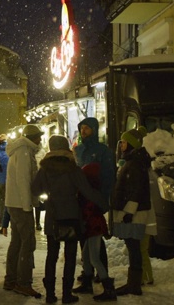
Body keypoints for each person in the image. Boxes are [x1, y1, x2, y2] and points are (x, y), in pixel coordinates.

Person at [31, 135, 108, 304]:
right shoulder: (73, 168)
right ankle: (67, 294)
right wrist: (104, 203)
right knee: (70, 256)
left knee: (51, 255)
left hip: (53, 216)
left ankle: (50, 294)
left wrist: (48, 195)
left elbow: (35, 189)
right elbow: (87, 190)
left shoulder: (45, 169)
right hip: (72, 216)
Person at [73, 117, 115, 285]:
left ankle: (101, 270)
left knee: (95, 237)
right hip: (81, 200)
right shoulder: (78, 149)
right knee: (84, 236)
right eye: (82, 128)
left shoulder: (103, 151)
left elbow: (108, 176)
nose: (83, 131)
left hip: (95, 199)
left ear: (94, 130)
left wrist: (103, 198)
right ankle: (87, 270)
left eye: (87, 128)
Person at [3, 124, 44, 298]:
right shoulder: (24, 151)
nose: (40, 139)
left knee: (17, 242)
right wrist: (28, 205)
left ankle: (11, 279)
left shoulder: (20, 149)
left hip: (15, 203)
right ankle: (23, 282)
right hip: (20, 204)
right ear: (33, 137)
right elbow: (23, 180)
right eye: (39, 136)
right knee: (28, 243)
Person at [112, 126, 151, 296]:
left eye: (124, 142)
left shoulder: (134, 163)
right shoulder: (133, 161)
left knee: (134, 247)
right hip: (134, 211)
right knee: (133, 247)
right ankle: (134, 283)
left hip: (134, 213)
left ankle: (134, 284)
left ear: (131, 144)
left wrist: (129, 211)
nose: (121, 145)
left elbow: (135, 190)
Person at [77, 162, 116, 301]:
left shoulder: (89, 192)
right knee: (87, 256)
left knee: (94, 257)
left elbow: (89, 211)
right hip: (93, 226)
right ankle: (87, 284)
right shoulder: (94, 190)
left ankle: (109, 288)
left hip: (93, 227)